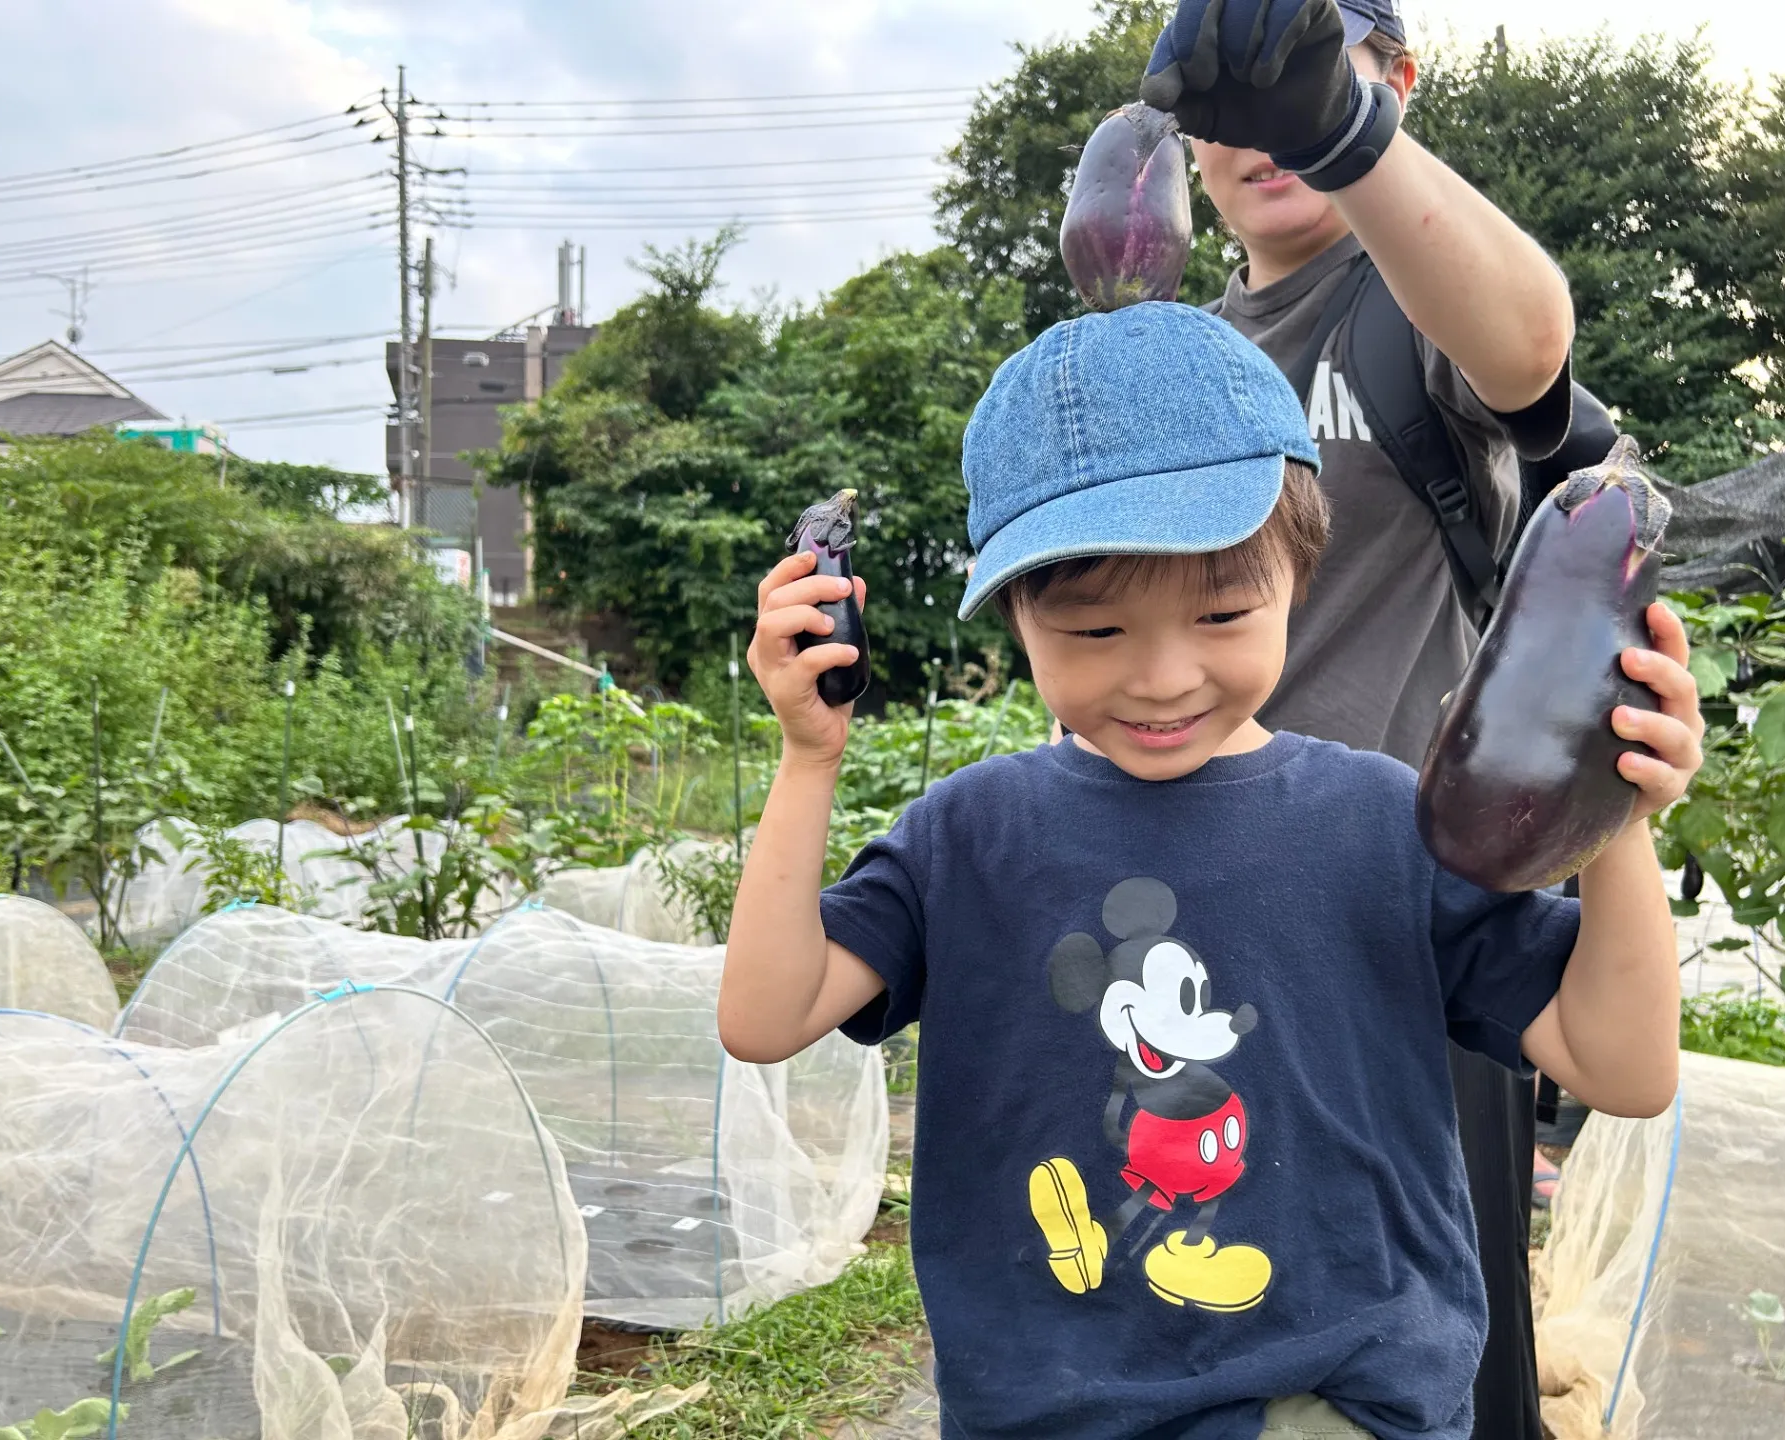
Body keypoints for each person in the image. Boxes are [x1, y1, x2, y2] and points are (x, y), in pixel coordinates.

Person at [720, 302, 1698, 1439]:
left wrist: (1614, 819)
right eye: (1094, 634)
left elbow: (1623, 1070)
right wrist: (808, 758)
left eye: (1225, 610)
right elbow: (765, 1013)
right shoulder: (967, 839)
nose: (1163, 675)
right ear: (1017, 620)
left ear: (1302, 570)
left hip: (1344, 1409)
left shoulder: (1387, 823)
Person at [1137, 3, 1579, 1434]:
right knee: (1202, 1323)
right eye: (1237, 99)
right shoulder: (1183, 358)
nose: (1266, 128)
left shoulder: (1410, 308)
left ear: (1388, 84)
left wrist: (1342, 128)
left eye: (1316, 71)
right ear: (1192, 139)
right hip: (1198, 936)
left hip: (1410, 939)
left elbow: (1526, 350)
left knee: (1439, 1358)